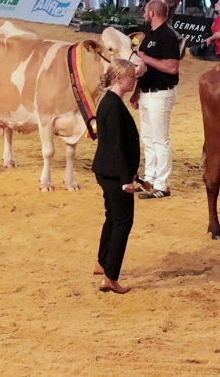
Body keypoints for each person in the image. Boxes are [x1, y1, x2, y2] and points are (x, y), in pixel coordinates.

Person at [92, 58, 142, 295]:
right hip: (114, 174)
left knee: (112, 218)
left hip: (108, 170)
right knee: (122, 222)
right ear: (119, 78)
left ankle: (102, 263)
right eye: (132, 77)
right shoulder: (112, 105)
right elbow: (117, 146)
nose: (135, 80)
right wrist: (126, 180)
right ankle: (110, 277)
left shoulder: (110, 101)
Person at [133, 0, 182, 199]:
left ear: (153, 13)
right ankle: (150, 181)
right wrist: (137, 91)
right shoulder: (151, 35)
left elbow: (172, 67)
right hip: (147, 93)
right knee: (148, 139)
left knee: (160, 140)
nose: (144, 14)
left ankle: (162, 185)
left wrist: (144, 57)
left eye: (146, 11)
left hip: (160, 93)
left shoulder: (169, 36)